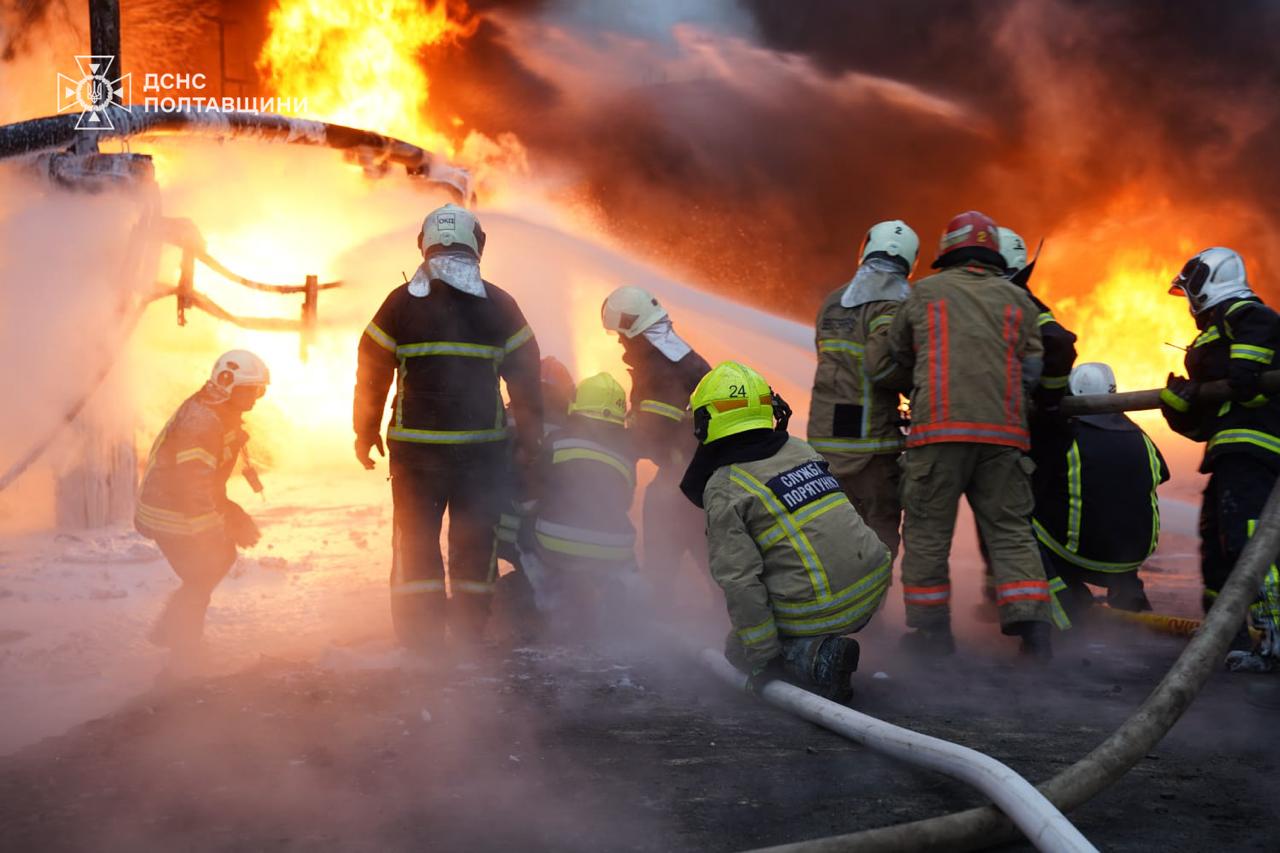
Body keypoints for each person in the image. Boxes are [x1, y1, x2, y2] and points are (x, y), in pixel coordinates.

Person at [354, 203, 542, 651]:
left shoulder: (399, 303)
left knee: (416, 542)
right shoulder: (500, 305)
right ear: (476, 244)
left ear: (424, 243)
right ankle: (469, 634)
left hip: (415, 455)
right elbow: (527, 377)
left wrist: (365, 432)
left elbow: (371, 372)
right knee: (475, 543)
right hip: (482, 453)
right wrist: (530, 442)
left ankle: (422, 641)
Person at [875, 210, 1054, 659]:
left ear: (946, 252)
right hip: (1005, 437)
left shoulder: (925, 295)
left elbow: (895, 356)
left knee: (927, 533)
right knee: (1011, 530)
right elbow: (1034, 368)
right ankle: (1034, 630)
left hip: (938, 435)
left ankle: (932, 635)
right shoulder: (1018, 301)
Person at [680, 361, 890, 702]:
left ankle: (814, 656)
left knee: (739, 647)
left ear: (705, 421)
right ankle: (819, 635)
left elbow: (739, 579)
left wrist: (763, 657)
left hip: (829, 606)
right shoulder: (799, 447)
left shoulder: (725, 487)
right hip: (874, 582)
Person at [1161, 247, 1280, 672]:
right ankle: (1222, 638)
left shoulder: (1243, 313)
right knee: (1216, 547)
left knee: (1248, 541)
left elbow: (1265, 327)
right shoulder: (1219, 336)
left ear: (1206, 282)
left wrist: (1245, 368)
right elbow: (1205, 426)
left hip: (1259, 449)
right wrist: (1178, 406)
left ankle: (1273, 637)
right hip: (1228, 453)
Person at [136, 350, 269, 657]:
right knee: (208, 566)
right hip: (168, 512)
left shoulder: (216, 412)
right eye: (250, 390)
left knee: (212, 565)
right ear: (227, 384)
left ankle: (174, 633)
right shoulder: (203, 423)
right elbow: (192, 483)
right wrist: (212, 530)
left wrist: (229, 511)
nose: (255, 399)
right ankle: (183, 648)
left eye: (259, 391)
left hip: (176, 505)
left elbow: (205, 481)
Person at [808, 220, 918, 557]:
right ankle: (871, 606)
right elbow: (880, 366)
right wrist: (915, 381)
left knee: (833, 529)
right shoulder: (894, 303)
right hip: (871, 447)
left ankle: (836, 603)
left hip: (826, 439)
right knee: (879, 530)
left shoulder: (833, 300)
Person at [1032, 362, 1169, 622]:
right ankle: (1130, 598)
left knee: (1019, 519)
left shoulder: (1063, 435)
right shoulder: (1141, 437)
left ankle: (1067, 609)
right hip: (1129, 558)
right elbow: (1161, 475)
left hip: (1078, 555)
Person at [601, 286, 710, 591]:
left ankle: (658, 614)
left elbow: (649, 437)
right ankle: (723, 620)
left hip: (684, 484)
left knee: (664, 546)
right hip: (702, 479)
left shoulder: (660, 370)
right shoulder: (680, 358)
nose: (620, 341)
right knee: (712, 565)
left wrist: (600, 434)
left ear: (634, 329)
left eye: (621, 334)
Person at [526, 372, 638, 620]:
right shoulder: (628, 453)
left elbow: (534, 486)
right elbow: (626, 501)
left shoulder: (555, 441)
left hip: (557, 541)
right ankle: (621, 598)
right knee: (623, 562)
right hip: (613, 547)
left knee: (525, 522)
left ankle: (544, 595)